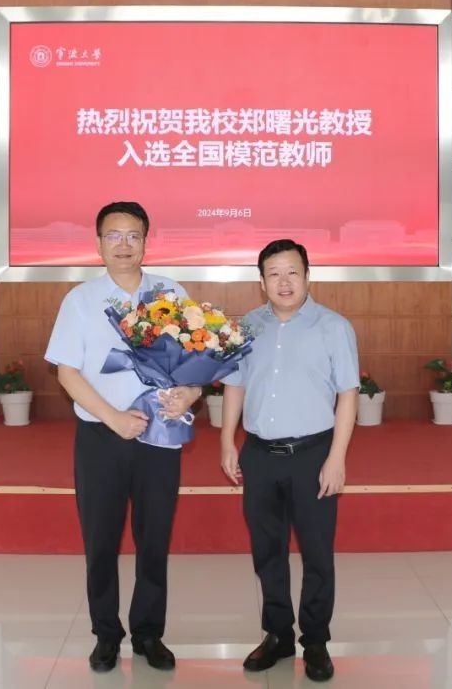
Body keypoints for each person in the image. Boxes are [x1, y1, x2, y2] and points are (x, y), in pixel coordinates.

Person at [45, 201, 201, 673]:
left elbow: (196, 361)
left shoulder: (170, 292)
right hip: (102, 436)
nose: (124, 245)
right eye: (113, 236)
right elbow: (67, 373)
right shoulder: (81, 300)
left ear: (146, 242)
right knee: (101, 541)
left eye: (133, 235)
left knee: (154, 539)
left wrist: (191, 393)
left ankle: (149, 633)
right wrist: (113, 418)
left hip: (160, 435)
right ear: (98, 244)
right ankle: (106, 635)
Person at [220, 239, 359, 682]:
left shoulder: (333, 327)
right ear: (261, 282)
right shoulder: (247, 326)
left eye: (292, 272)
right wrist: (227, 441)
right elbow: (235, 384)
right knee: (268, 551)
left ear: (307, 276)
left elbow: (348, 394)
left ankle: (315, 640)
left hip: (313, 455)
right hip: (259, 454)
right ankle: (278, 634)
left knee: (317, 552)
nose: (284, 282)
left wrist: (336, 458)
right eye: (274, 274)